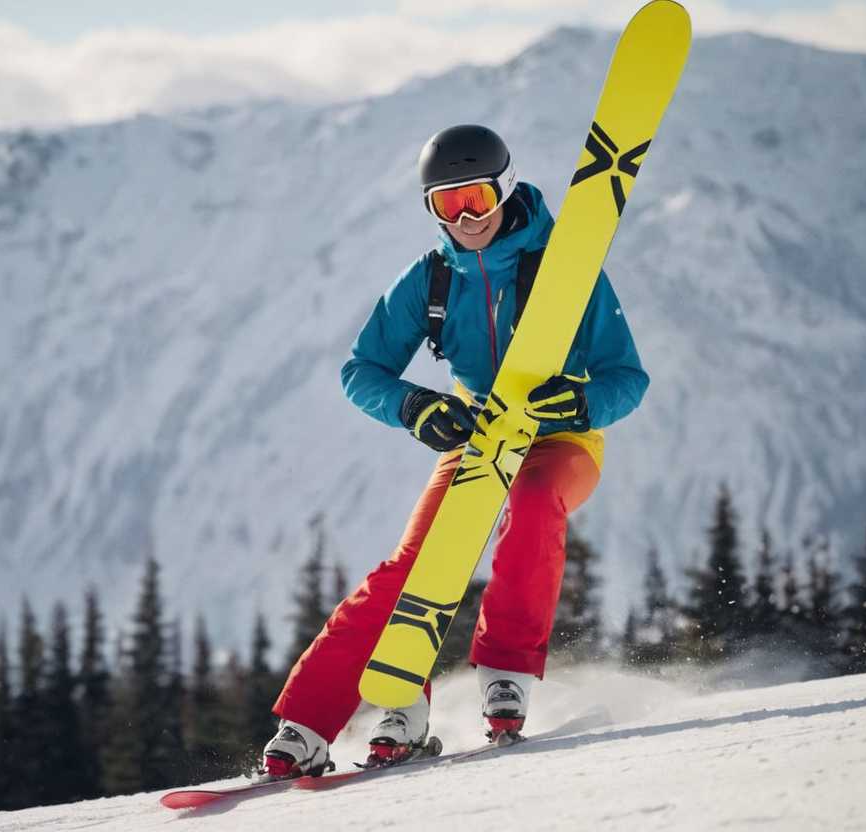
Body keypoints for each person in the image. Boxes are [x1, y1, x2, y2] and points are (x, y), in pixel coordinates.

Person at [260, 124, 649, 778]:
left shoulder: (567, 268)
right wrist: (416, 406)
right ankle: (317, 719)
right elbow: (363, 370)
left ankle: (504, 670)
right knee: (415, 564)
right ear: (430, 209)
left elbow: (626, 377)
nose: (467, 216)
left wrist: (579, 403)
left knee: (532, 506)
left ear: (507, 189)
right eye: (448, 203)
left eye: (478, 197)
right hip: (481, 436)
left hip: (562, 439)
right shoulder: (432, 278)